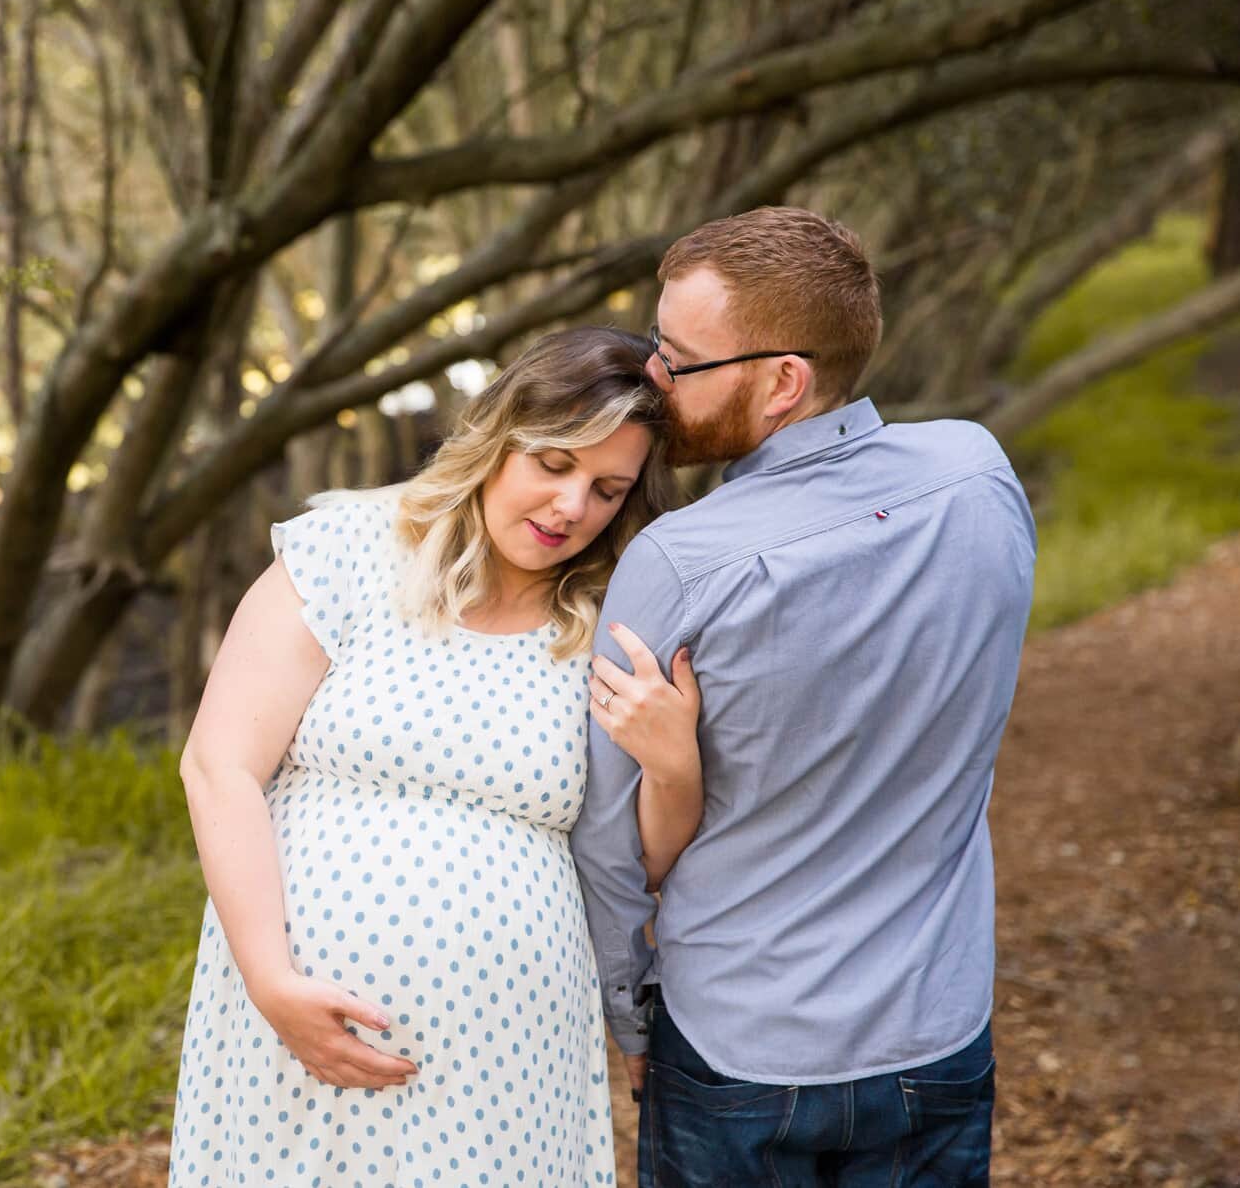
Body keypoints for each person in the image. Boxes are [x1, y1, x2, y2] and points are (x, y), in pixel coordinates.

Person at [572, 207, 1037, 1186]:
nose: (653, 377)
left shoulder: (678, 560)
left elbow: (608, 842)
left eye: (680, 359)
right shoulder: (980, 474)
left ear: (784, 380)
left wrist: (630, 1013)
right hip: (936, 1027)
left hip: (737, 1046)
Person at [169, 326, 697, 1188]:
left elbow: (634, 858)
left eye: (608, 489)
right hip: (295, 1010)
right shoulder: (348, 550)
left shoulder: (612, 619)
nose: (572, 509)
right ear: (498, 438)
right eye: (554, 465)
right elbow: (218, 765)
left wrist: (676, 765)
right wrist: (271, 981)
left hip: (507, 1056)